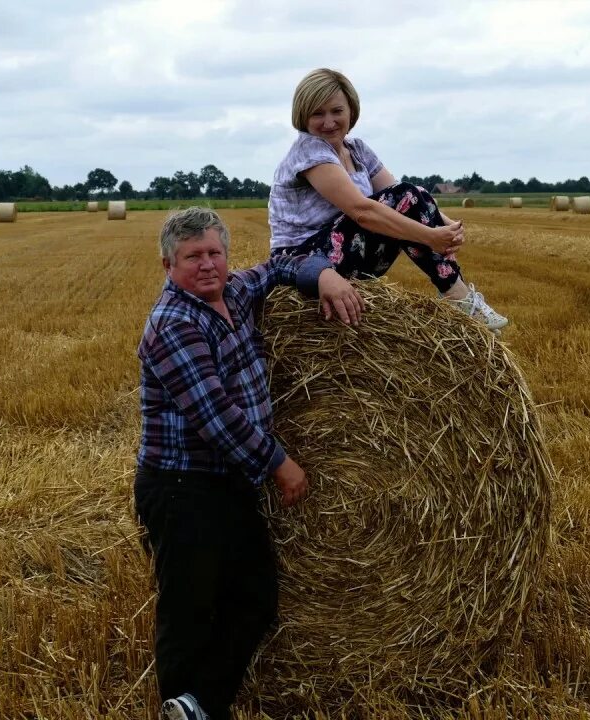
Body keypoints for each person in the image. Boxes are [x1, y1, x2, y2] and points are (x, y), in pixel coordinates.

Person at [134, 207, 362, 720]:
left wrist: (323, 274)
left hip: (226, 483)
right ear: (168, 264)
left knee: (256, 596)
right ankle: (181, 703)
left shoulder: (235, 292)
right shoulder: (172, 324)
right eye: (193, 256)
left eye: (215, 253)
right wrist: (282, 464)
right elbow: (218, 417)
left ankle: (199, 705)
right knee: (189, 608)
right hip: (180, 487)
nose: (208, 264)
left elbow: (282, 266)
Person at [268, 67, 509, 332]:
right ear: (303, 116)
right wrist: (430, 237)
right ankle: (459, 299)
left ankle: (459, 299)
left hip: (342, 253)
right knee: (404, 197)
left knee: (413, 193)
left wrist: (449, 228)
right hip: (303, 262)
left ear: (351, 110)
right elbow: (362, 211)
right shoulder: (309, 150)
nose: (328, 122)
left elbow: (405, 195)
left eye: (337, 111)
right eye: (318, 113)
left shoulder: (356, 149)